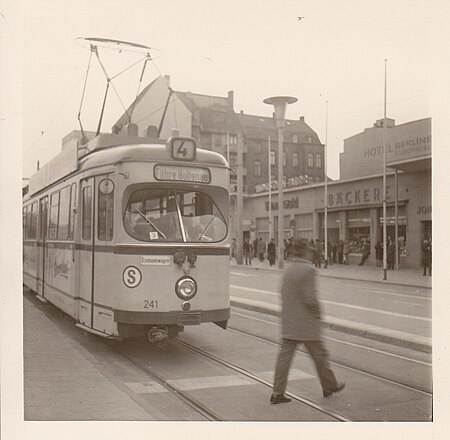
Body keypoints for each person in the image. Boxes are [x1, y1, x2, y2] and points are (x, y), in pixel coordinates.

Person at [270, 238, 345, 404]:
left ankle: (277, 392)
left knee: (284, 359)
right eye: (310, 250)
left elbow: (282, 292)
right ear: (304, 251)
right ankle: (329, 386)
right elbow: (310, 298)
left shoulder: (287, 269)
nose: (312, 253)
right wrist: (318, 315)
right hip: (307, 324)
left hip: (289, 321)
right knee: (320, 355)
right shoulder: (308, 270)